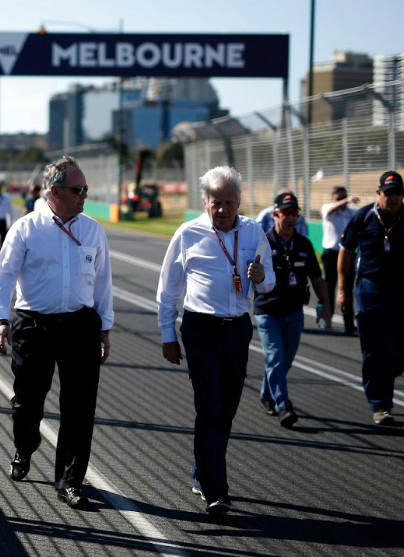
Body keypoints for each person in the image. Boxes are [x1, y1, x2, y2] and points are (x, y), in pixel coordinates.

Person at [0, 156, 114, 510]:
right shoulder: (26, 229)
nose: (84, 195)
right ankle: (25, 446)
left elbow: (102, 282)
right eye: (78, 189)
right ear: (55, 191)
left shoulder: (92, 230)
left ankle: (70, 482)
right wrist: (0, 320)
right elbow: (4, 275)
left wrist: (104, 327)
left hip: (80, 325)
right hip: (34, 324)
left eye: (86, 189)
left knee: (80, 407)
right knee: (27, 403)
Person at [156, 165, 274, 515]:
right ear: (204, 201)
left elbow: (269, 287)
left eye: (228, 202)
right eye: (214, 202)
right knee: (209, 406)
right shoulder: (188, 233)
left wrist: (263, 277)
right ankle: (215, 489)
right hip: (200, 329)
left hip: (237, 329)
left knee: (226, 410)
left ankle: (202, 471)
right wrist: (167, 335)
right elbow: (168, 290)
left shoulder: (254, 233)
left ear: (239, 201)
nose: (221, 209)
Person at [337, 170, 404, 426]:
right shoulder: (364, 216)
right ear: (378, 193)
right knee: (375, 349)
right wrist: (343, 289)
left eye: (397, 193)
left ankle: (385, 377)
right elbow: (345, 252)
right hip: (371, 289)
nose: (392, 197)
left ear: (403, 195)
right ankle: (380, 405)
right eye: (387, 193)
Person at [254, 192, 332, 428]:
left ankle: (267, 394)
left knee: (285, 360)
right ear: (275, 214)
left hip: (294, 311)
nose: (290, 217)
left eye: (294, 213)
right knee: (275, 357)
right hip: (268, 311)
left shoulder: (304, 244)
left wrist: (325, 306)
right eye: (285, 213)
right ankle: (283, 406)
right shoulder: (263, 242)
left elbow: (317, 279)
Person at [320, 186, 360, 334]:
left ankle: (349, 324)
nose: (342, 201)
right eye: (339, 198)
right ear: (333, 198)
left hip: (347, 255)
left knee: (347, 290)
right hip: (331, 254)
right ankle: (327, 320)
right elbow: (332, 209)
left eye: (344, 197)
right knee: (329, 289)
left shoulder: (352, 213)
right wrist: (346, 200)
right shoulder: (327, 209)